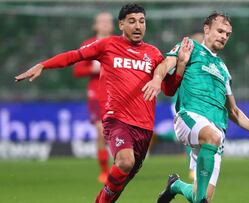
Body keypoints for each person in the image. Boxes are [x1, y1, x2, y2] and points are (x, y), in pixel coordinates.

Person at [15, 3, 186, 203]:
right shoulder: (107, 45)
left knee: (120, 182)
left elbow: (169, 89)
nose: (138, 26)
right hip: (117, 120)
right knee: (125, 161)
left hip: (144, 127)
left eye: (141, 21)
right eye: (132, 21)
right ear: (121, 24)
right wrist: (44, 64)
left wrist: (180, 65)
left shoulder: (154, 54)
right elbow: (75, 56)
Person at [142, 12, 249, 203]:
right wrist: (156, 79)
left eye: (227, 34)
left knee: (200, 197)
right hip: (190, 117)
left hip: (216, 132)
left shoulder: (223, 69)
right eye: (220, 31)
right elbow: (166, 63)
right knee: (212, 138)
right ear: (206, 29)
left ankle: (175, 185)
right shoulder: (189, 48)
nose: (223, 36)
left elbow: (234, 111)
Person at [73, 11, 114, 184]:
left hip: (115, 94)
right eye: (102, 21)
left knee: (116, 132)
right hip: (96, 95)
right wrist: (94, 69)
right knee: (100, 132)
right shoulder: (88, 44)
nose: (105, 24)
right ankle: (105, 172)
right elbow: (77, 70)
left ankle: (120, 167)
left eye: (108, 21)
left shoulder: (118, 43)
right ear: (95, 25)